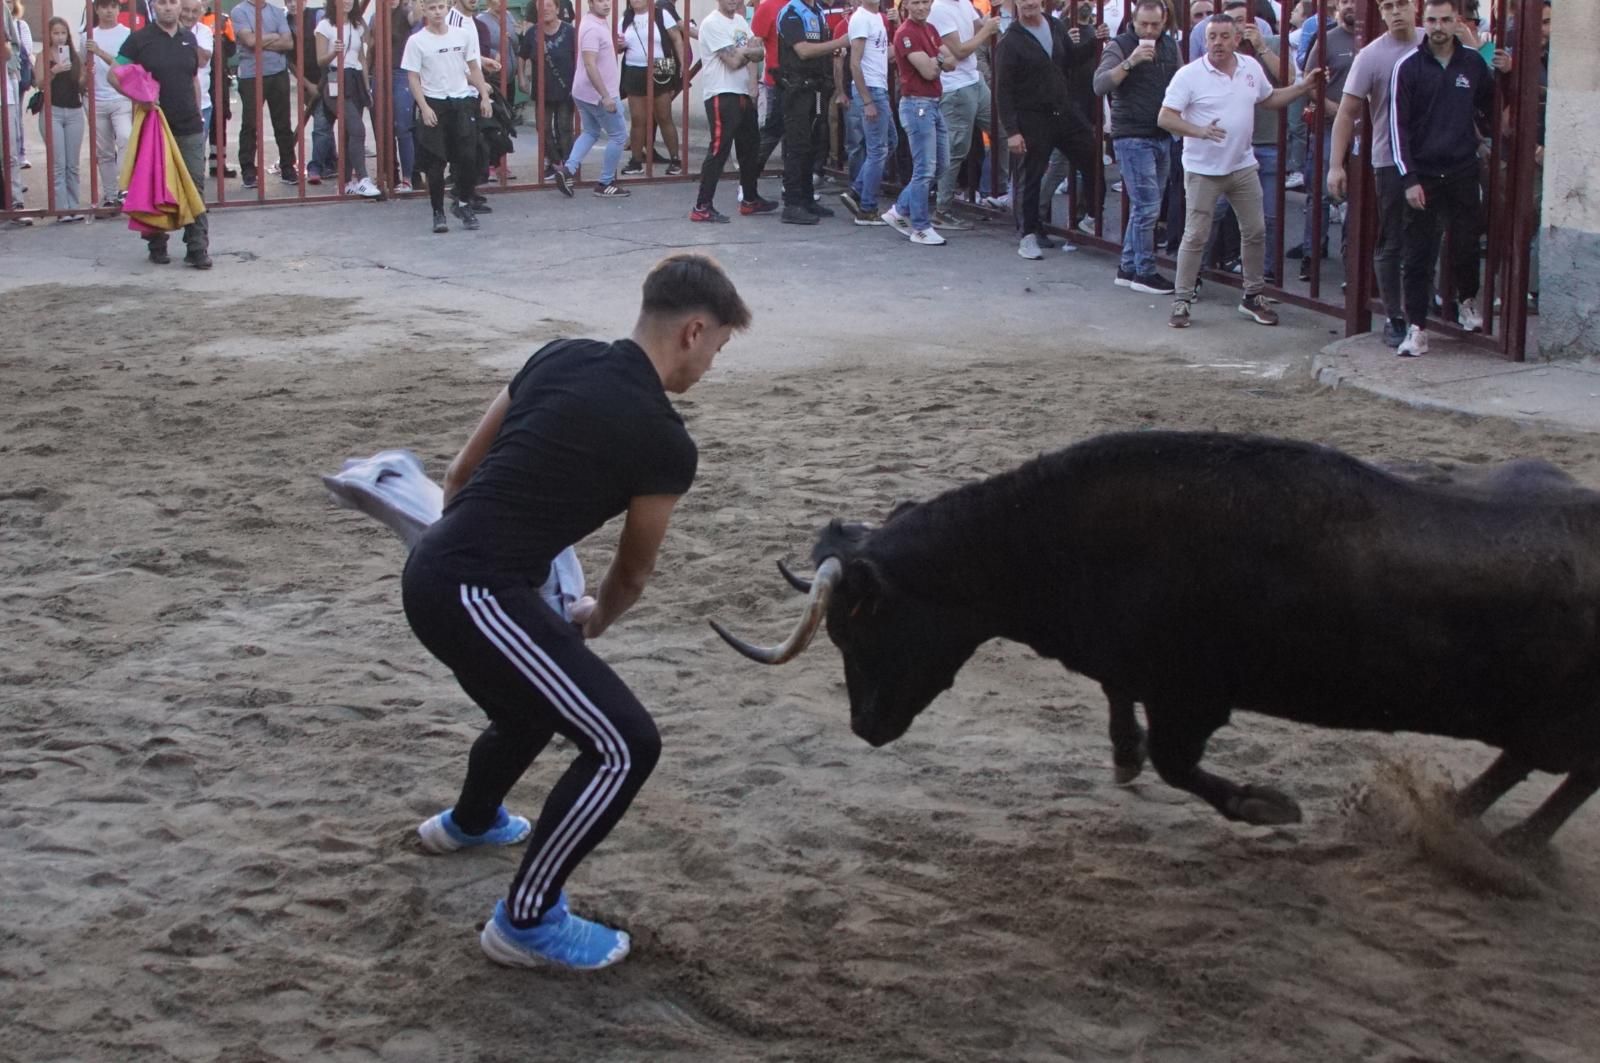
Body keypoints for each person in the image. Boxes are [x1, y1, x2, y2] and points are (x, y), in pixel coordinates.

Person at [402, 254, 751, 971]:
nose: (713, 362)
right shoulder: (665, 439)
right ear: (693, 330)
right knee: (626, 743)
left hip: (439, 571)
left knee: (535, 706)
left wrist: (497, 567)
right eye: (719, 345)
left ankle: (469, 824)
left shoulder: (558, 355)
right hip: (477, 590)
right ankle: (526, 919)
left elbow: (461, 473)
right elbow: (632, 572)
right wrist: (588, 621)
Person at [1158, 12, 1320, 327]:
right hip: (1204, 169)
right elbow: (1165, 117)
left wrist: (1303, 88)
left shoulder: (1249, 67)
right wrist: (1199, 130)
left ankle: (1252, 295)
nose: (1217, 42)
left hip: (1242, 165)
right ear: (1205, 41)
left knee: (1256, 231)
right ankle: (1182, 300)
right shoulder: (1189, 75)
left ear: (1236, 39)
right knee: (1196, 235)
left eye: (1224, 36)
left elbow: (1269, 98)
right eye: (1212, 37)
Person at [1388, 0, 1493, 357]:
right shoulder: (1409, 66)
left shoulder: (1473, 63)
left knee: (1466, 244)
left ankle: (1466, 300)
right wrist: (1409, 178)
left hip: (1463, 169)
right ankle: (1417, 328)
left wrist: (1505, 72)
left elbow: (1489, 106)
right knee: (1418, 255)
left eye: (1446, 19)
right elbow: (1397, 128)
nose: (1438, 26)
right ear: (1424, 22)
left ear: (1456, 23)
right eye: (1432, 19)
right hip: (1424, 174)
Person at [1325, 0, 1420, 348]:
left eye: (1402, 4)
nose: (1396, 11)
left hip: (1433, 162)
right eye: (1388, 6)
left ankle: (1430, 311)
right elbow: (1347, 111)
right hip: (1389, 159)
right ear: (1380, 13)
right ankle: (1394, 316)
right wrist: (1336, 165)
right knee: (1392, 240)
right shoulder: (1370, 55)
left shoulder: (1432, 42)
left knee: (1428, 240)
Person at [110, 0, 211, 268]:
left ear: (180, 7)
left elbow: (192, 80)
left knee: (195, 186)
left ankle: (197, 247)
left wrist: (199, 113)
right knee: (155, 183)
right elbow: (114, 74)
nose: (168, 7)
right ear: (154, 6)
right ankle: (157, 244)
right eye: (163, 2)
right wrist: (139, 97)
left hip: (189, 124)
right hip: (155, 124)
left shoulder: (189, 39)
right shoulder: (139, 40)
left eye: (173, 2)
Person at [996, 0, 1098, 260]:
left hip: (1064, 111)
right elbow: (1003, 90)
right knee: (1031, 176)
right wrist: (1012, 131)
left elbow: (1071, 59)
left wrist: (1096, 42)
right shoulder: (1010, 41)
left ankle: (1091, 217)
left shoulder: (1054, 25)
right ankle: (1028, 235)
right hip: (1033, 118)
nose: (1029, 3)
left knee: (1092, 158)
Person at [1093, 0, 1180, 293]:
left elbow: (1181, 80)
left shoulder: (1169, 45)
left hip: (1162, 132)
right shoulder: (1120, 45)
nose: (1149, 31)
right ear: (1134, 20)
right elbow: (1100, 84)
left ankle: (1128, 267)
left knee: (1146, 207)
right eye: (1144, 24)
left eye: (1155, 25)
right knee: (1147, 207)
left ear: (1164, 22)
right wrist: (1130, 61)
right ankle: (1144, 271)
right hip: (1132, 134)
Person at [403, 0, 495, 231]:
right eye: (432, 8)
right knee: (435, 164)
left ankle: (463, 203)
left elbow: (473, 67)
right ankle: (438, 213)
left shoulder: (462, 35)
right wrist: (424, 107)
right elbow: (413, 77)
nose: (437, 12)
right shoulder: (417, 41)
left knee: (468, 158)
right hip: (435, 103)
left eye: (441, 7)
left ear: (447, 8)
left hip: (462, 101)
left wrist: (483, 95)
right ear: (424, 10)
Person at [690, 0, 774, 222]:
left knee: (750, 147)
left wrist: (747, 51)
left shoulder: (739, 21)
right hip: (721, 92)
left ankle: (749, 199)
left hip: (741, 91)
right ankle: (702, 206)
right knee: (719, 149)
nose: (733, 1)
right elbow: (734, 61)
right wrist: (749, 49)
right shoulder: (712, 24)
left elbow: (760, 53)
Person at [1295, 0, 1356, 282]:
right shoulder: (1327, 40)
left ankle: (1352, 262)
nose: (1352, 6)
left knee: (1357, 197)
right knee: (1320, 191)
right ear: (1336, 8)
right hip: (1330, 124)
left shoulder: (1376, 39)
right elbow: (1310, 84)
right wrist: (1332, 107)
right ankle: (1312, 254)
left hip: (1364, 130)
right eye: (1345, 1)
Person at [880, 0, 950, 244]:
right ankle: (920, 226)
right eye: (916, 3)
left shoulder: (930, 29)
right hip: (917, 104)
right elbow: (930, 70)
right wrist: (939, 58)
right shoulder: (906, 33)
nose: (922, 7)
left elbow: (949, 61)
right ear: (907, 5)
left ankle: (899, 209)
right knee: (925, 168)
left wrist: (937, 59)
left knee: (940, 165)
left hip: (932, 103)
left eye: (925, 2)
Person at [774, 0, 849, 223]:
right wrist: (839, 41)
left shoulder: (817, 11)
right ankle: (792, 204)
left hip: (815, 88)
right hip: (796, 89)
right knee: (797, 146)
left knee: (812, 144)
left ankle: (806, 199)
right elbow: (803, 50)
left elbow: (819, 48)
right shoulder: (791, 12)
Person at [927, 0, 999, 231]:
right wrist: (987, 29)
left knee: (1004, 132)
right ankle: (942, 210)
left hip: (973, 80)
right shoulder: (940, 8)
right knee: (957, 149)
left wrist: (991, 20)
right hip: (955, 87)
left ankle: (1002, 192)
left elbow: (981, 34)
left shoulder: (963, 4)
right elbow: (959, 50)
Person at [550, 0, 630, 197]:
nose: (606, 4)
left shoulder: (593, 22)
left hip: (584, 92)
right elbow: (590, 64)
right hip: (598, 95)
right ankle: (605, 183)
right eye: (600, 1)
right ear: (590, 3)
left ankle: (568, 170)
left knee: (591, 132)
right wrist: (605, 96)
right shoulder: (592, 29)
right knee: (619, 136)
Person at [315, 0, 381, 198]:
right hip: (335, 78)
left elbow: (361, 57)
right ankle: (362, 179)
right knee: (357, 129)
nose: (347, 2)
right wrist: (333, 53)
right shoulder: (325, 26)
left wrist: (367, 86)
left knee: (348, 133)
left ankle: (344, 183)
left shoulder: (357, 25)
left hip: (356, 79)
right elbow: (320, 60)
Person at [233, 0, 300, 188]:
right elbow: (250, 41)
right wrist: (273, 36)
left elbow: (288, 43)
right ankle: (248, 170)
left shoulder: (277, 11)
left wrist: (259, 40)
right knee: (250, 124)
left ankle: (288, 167)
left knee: (283, 123)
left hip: (277, 73)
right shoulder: (240, 11)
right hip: (251, 75)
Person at [838, 0, 894, 224]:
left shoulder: (877, 17)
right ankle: (867, 208)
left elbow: (882, 53)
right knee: (878, 149)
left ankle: (858, 191)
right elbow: (854, 63)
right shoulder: (861, 18)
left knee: (889, 141)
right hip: (871, 89)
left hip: (878, 87)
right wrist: (867, 100)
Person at [619, 0, 685, 176]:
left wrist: (683, 64)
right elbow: (618, 45)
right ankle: (636, 160)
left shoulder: (661, 14)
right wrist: (619, 45)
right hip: (633, 68)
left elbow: (677, 39)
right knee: (637, 118)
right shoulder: (625, 18)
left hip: (661, 65)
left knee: (664, 116)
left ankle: (675, 159)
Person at [37, 16, 87, 221]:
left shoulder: (74, 56)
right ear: (49, 35)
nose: (59, 37)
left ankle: (73, 206)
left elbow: (81, 85)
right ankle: (61, 209)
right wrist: (53, 71)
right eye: (56, 33)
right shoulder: (43, 56)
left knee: (72, 164)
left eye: (63, 33)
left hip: (74, 111)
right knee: (58, 163)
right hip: (53, 111)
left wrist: (87, 75)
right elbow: (39, 83)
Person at [84, 0, 133, 207]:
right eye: (104, 7)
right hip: (95, 98)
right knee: (103, 151)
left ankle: (124, 189)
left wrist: (100, 52)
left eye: (113, 6)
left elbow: (126, 66)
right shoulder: (87, 36)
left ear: (119, 9)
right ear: (96, 9)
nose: (109, 11)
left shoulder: (127, 34)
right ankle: (110, 195)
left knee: (125, 138)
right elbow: (81, 65)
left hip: (121, 96)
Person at [519, 0, 574, 180]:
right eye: (541, 6)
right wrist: (521, 77)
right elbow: (522, 55)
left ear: (558, 9)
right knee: (543, 127)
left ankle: (567, 164)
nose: (546, 9)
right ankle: (554, 162)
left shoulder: (569, 31)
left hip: (566, 88)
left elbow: (579, 57)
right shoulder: (533, 33)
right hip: (543, 88)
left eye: (550, 5)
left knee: (564, 127)